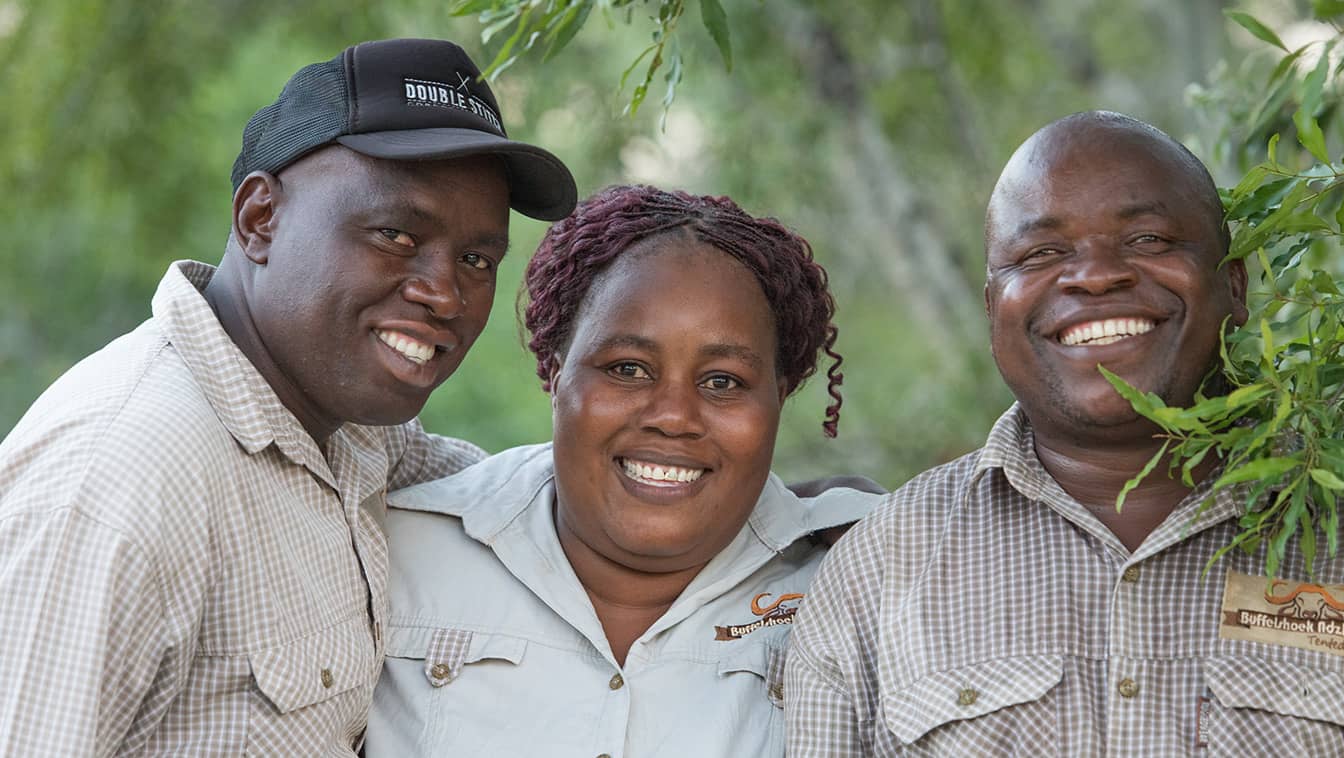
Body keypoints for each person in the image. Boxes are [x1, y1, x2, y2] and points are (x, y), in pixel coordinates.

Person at [785, 111, 1344, 755]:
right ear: (994, 310)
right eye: (1042, 252)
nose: (1096, 274)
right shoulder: (878, 570)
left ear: (1234, 285)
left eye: (1148, 240)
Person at [0, 38, 576, 755]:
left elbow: (521, 501)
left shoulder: (347, 429)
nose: (444, 293)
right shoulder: (119, 479)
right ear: (259, 219)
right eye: (396, 234)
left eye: (476, 260)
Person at [364, 185, 881, 757]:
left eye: (723, 382)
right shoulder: (389, 553)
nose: (673, 417)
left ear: (779, 398)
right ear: (556, 374)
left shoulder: (861, 584)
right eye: (628, 369)